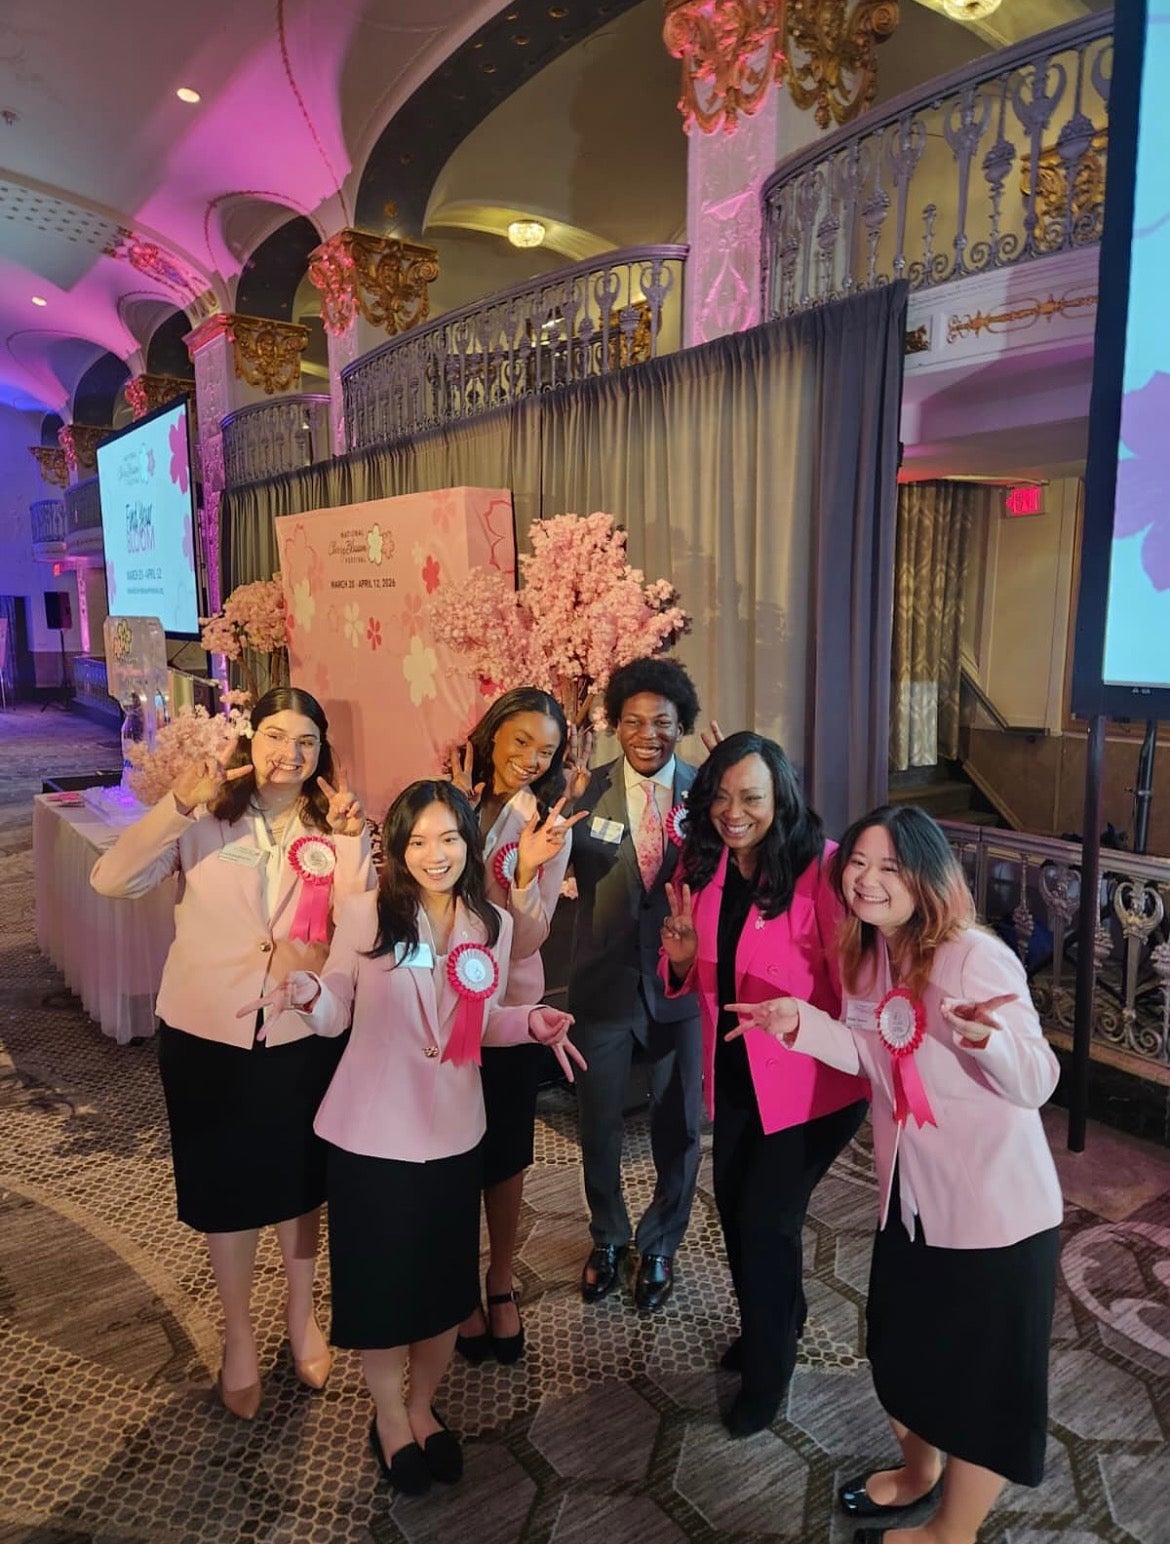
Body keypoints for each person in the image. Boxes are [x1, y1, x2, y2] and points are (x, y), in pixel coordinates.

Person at [728, 804, 1062, 1544]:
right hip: (910, 1202)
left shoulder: (974, 956)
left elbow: (1037, 1080)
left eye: (888, 867)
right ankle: (919, 1471)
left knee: (981, 1388)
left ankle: (953, 1531)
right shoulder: (872, 953)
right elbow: (871, 1053)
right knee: (898, 1354)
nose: (866, 881)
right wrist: (798, 1023)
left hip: (994, 1216)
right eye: (857, 863)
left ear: (926, 874)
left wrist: (990, 1044)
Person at [242, 781, 583, 1495]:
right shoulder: (366, 913)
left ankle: (424, 1405)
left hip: (455, 1134)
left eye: (450, 838)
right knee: (382, 1293)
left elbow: (480, 1023)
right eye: (419, 841)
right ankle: (390, 1416)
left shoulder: (491, 922)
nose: (436, 854)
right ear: (396, 848)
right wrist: (310, 995)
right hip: (371, 1139)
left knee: (442, 1289)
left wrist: (530, 1023)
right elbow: (338, 1011)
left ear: (470, 842)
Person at [90, 686, 373, 1420]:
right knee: (226, 1187)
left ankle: (302, 1315)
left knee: (301, 1184)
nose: (291, 753)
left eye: (307, 741)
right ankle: (240, 1336)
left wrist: (352, 845)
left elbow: (358, 930)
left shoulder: (332, 825)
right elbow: (112, 879)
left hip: (299, 1034)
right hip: (206, 1032)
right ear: (252, 741)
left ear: (321, 756)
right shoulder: (205, 817)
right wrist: (179, 805)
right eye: (277, 735)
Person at [659, 730, 868, 1435]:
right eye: (720, 794)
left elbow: (858, 994)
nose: (733, 810)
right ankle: (775, 1317)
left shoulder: (824, 870)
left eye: (750, 796)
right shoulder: (705, 864)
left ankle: (770, 1370)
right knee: (733, 1210)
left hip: (815, 1086)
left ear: (781, 797)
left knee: (766, 1221)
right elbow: (705, 981)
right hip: (740, 1071)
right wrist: (685, 960)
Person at [447, 687, 587, 1363]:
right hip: (438, 1005)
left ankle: (499, 1281)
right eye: (521, 740)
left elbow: (529, 939)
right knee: (448, 1150)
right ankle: (457, 1284)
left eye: (547, 750)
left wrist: (529, 872)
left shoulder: (548, 822)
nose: (532, 759)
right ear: (493, 732)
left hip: (507, 1008)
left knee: (504, 1156)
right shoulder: (447, 793)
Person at [567, 656, 704, 1313]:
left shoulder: (709, 797)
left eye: (663, 722)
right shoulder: (583, 792)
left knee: (679, 1125)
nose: (648, 733)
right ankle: (609, 1236)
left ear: (683, 726)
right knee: (598, 1124)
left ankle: (659, 1244)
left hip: (681, 987)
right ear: (614, 726)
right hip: (604, 986)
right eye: (634, 721)